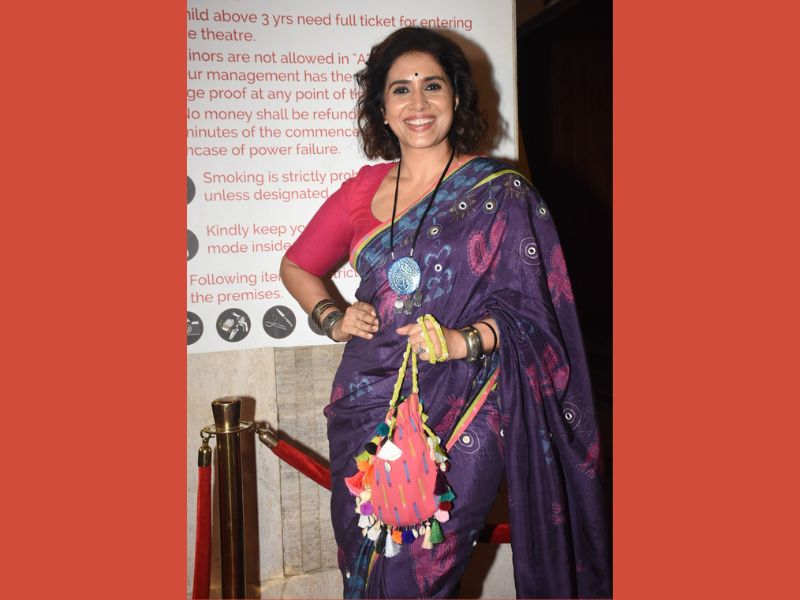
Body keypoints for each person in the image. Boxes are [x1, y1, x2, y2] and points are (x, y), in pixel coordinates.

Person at [280, 27, 610, 599]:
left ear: (456, 96)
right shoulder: (362, 191)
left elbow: (537, 313)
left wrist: (464, 341)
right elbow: (297, 267)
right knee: (365, 566)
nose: (418, 102)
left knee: (422, 573)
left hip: (470, 404)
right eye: (400, 89)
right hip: (367, 403)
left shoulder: (501, 192)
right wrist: (332, 317)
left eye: (432, 85)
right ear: (381, 107)